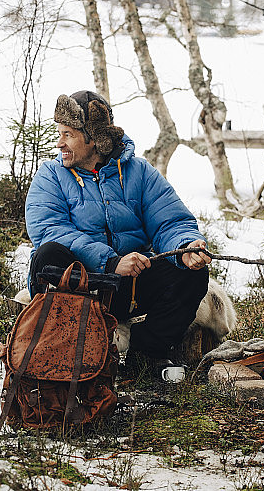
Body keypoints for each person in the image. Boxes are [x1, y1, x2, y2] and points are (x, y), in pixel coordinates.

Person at [25, 90, 212, 374]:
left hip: (129, 288)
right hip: (80, 284)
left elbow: (170, 221)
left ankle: (146, 353)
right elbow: (48, 229)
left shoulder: (139, 172)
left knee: (191, 273)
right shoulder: (50, 175)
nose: (59, 143)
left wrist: (185, 246)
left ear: (94, 137)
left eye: (68, 134)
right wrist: (110, 262)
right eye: (59, 133)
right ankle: (65, 350)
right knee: (48, 255)